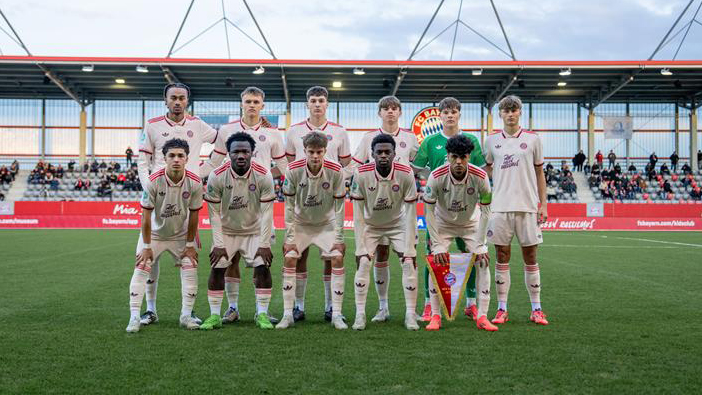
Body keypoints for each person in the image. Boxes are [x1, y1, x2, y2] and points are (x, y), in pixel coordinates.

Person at [136, 82, 223, 327]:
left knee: (189, 255)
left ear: (187, 101)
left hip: (187, 195)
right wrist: (150, 187)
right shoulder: (153, 125)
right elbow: (143, 161)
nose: (177, 101)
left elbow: (222, 141)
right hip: (159, 196)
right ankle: (150, 310)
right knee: (149, 254)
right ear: (165, 100)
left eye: (181, 98)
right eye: (173, 97)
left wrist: (205, 170)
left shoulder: (197, 124)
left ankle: (188, 312)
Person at [210, 86, 287, 324]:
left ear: (262, 105)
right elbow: (214, 162)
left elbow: (284, 166)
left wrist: (278, 180)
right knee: (229, 261)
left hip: (260, 201)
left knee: (261, 262)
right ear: (241, 103)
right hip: (232, 201)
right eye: (248, 101)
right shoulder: (227, 130)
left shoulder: (273, 133)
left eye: (256, 101)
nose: (252, 105)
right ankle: (232, 308)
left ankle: (260, 311)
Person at [411, 97, 486, 322]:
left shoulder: (471, 139)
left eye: (454, 111)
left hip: (466, 208)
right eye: (446, 112)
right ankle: (428, 305)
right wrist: (435, 179)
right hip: (439, 208)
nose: (450, 115)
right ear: (440, 116)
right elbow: (417, 167)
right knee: (434, 255)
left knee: (471, 255)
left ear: (459, 114)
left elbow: (481, 169)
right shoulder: (430, 141)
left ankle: (471, 304)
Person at [349, 95, 419, 323]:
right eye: (386, 108)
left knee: (410, 258)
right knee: (377, 257)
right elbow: (356, 165)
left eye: (394, 108)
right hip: (373, 211)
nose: (390, 111)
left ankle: (411, 312)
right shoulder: (369, 138)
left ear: (400, 112)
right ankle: (381, 307)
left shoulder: (409, 138)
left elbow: (420, 166)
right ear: (379, 112)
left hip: (400, 209)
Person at [284, 86, 351, 323]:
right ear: (307, 104)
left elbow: (345, 164)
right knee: (298, 257)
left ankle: (331, 307)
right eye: (313, 100)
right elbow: (291, 163)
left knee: (329, 257)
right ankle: (297, 307)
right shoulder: (293, 131)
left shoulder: (339, 131)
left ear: (327, 104)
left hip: (327, 209)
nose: (317, 104)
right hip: (303, 207)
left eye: (321, 100)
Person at [200, 133, 277, 331]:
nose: (241, 155)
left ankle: (261, 314)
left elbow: (268, 212)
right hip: (226, 230)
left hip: (255, 230)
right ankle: (217, 315)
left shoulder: (263, 174)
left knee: (262, 267)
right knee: (218, 268)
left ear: (253, 153)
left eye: (245, 151)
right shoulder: (217, 176)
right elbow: (214, 214)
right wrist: (218, 243)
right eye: (236, 152)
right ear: (229, 153)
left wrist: (264, 243)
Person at [125, 138, 204, 333]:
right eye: (172, 156)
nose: (176, 159)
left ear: (187, 158)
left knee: (190, 265)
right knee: (142, 266)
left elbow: (194, 215)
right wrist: (146, 246)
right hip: (155, 235)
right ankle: (136, 316)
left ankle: (186, 315)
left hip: (181, 235)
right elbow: (145, 216)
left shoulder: (194, 182)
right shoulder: (153, 181)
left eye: (180, 156)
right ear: (164, 158)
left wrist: (189, 245)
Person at [484, 95, 549, 326]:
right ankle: (502, 309)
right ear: (500, 114)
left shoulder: (533, 139)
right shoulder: (491, 141)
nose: (510, 114)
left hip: (528, 206)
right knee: (502, 256)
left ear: (519, 112)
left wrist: (544, 204)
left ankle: (537, 309)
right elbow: (487, 172)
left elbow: (540, 173)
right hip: (500, 207)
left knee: (530, 257)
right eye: (506, 110)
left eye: (514, 110)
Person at [422, 135, 497, 332]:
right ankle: (436, 315)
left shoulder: (480, 177)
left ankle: (482, 316)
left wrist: (480, 244)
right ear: (447, 156)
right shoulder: (436, 176)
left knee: (482, 261)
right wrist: (437, 244)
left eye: (463, 157)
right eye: (454, 157)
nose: (458, 162)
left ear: (469, 157)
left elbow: (486, 211)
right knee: (436, 260)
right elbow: (428, 211)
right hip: (443, 223)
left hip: (471, 224)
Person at [277, 132, 347, 330]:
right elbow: (288, 207)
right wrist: (289, 238)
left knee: (336, 257)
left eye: (319, 152)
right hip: (301, 224)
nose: (315, 156)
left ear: (325, 151)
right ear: (304, 151)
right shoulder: (293, 170)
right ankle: (291, 312)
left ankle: (335, 311)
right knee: (291, 257)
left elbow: (340, 207)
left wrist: (339, 237)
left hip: (327, 224)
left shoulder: (336, 171)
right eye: (311, 152)